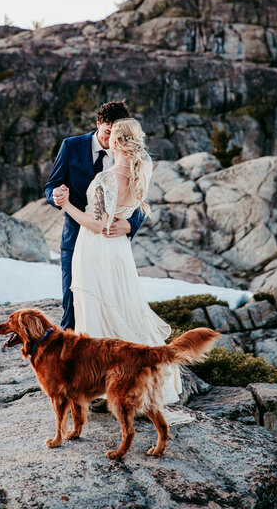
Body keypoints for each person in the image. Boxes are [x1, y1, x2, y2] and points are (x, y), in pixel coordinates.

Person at [55, 118, 184, 411]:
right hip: (119, 251)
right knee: (122, 306)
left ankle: (103, 383)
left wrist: (67, 206)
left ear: (114, 141)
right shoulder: (141, 170)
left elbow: (96, 223)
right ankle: (130, 377)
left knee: (98, 309)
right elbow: (133, 207)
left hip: (96, 250)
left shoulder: (107, 178)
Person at [43, 101, 145, 331]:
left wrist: (130, 224)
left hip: (110, 244)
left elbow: (140, 197)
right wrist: (56, 196)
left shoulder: (132, 154)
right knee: (73, 305)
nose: (112, 140)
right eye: (108, 132)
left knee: (112, 307)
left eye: (117, 134)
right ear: (98, 124)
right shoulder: (70, 146)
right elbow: (51, 185)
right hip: (75, 240)